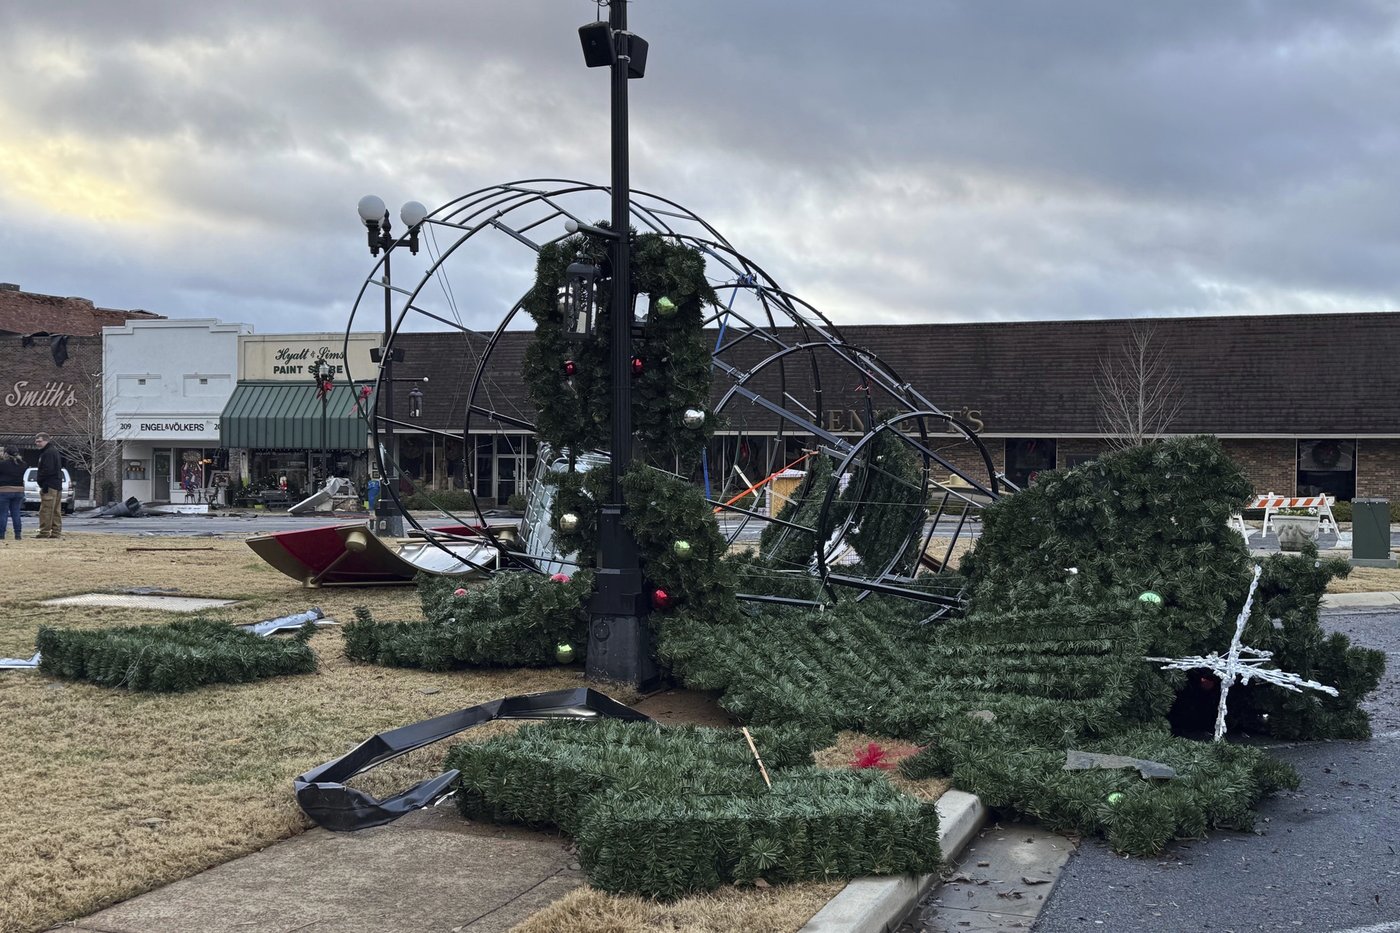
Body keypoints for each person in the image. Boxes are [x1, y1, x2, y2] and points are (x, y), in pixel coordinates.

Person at [34, 433, 63, 539]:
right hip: (57, 484)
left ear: (46, 440)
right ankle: (56, 532)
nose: (37, 443)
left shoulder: (47, 453)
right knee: (56, 510)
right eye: (36, 441)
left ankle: (44, 532)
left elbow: (48, 470)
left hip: (49, 485)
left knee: (46, 509)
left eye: (39, 441)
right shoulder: (54, 451)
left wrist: (42, 482)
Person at [0, 445, 23, 540]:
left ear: (6, 454)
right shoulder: (23, 464)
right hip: (19, 490)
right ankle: (18, 534)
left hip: (4, 490)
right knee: (16, 513)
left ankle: (1, 534)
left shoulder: (2, 464)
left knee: (3, 513)